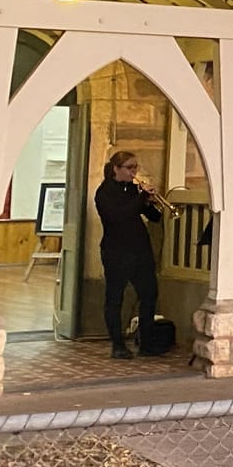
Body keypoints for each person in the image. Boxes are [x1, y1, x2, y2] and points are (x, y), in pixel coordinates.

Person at [95, 150, 162, 360]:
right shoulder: (104, 192)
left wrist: (150, 201)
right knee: (115, 298)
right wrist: (140, 198)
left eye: (136, 167)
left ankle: (146, 342)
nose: (134, 172)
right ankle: (117, 345)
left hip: (139, 250)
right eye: (129, 168)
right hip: (116, 251)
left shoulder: (135, 191)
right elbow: (119, 216)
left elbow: (155, 217)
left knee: (149, 294)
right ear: (116, 169)